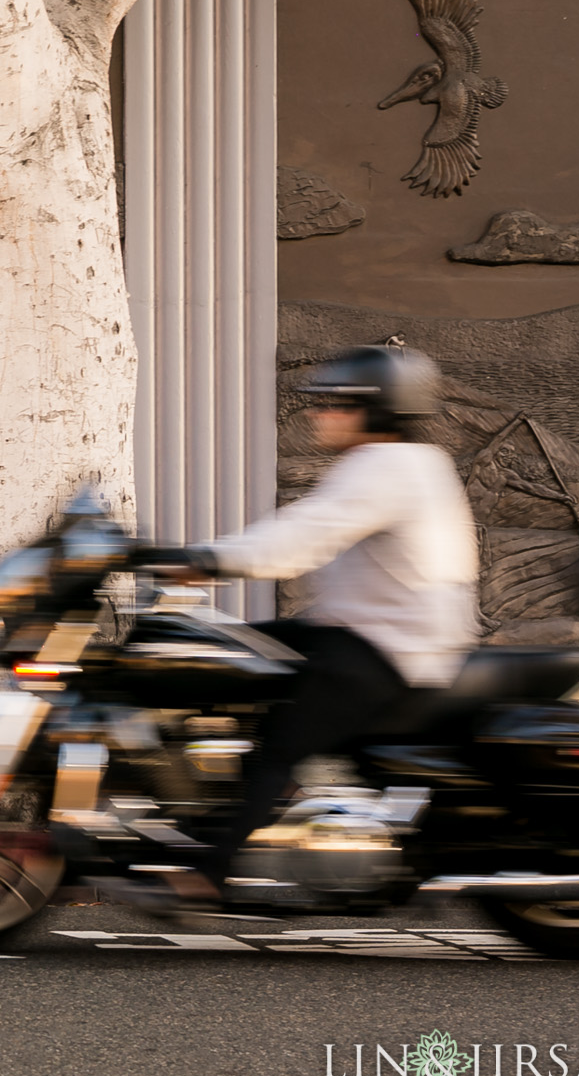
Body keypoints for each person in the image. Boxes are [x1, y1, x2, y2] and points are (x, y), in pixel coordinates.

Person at [172, 344, 478, 896]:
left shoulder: (389, 467)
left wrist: (207, 561)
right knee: (213, 650)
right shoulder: (401, 463)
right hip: (360, 632)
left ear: (378, 411)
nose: (318, 413)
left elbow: (303, 536)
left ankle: (208, 873)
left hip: (389, 649)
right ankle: (239, 805)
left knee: (281, 742)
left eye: (336, 402)